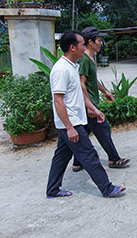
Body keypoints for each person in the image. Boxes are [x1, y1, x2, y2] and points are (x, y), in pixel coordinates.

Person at [46, 30, 126, 198]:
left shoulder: (72, 66)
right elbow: (58, 101)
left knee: (62, 156)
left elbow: (79, 95)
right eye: (82, 44)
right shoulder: (61, 70)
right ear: (72, 47)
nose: (85, 47)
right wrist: (69, 127)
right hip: (70, 122)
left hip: (73, 120)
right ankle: (107, 188)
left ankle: (52, 189)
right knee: (89, 154)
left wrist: (94, 109)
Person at [71, 26, 130, 172]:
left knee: (83, 132)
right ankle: (114, 159)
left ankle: (77, 163)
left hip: (88, 104)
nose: (101, 43)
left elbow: (92, 79)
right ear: (90, 42)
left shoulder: (90, 58)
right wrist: (90, 106)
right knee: (104, 129)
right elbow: (81, 84)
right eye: (99, 40)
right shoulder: (84, 59)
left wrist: (105, 91)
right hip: (88, 104)